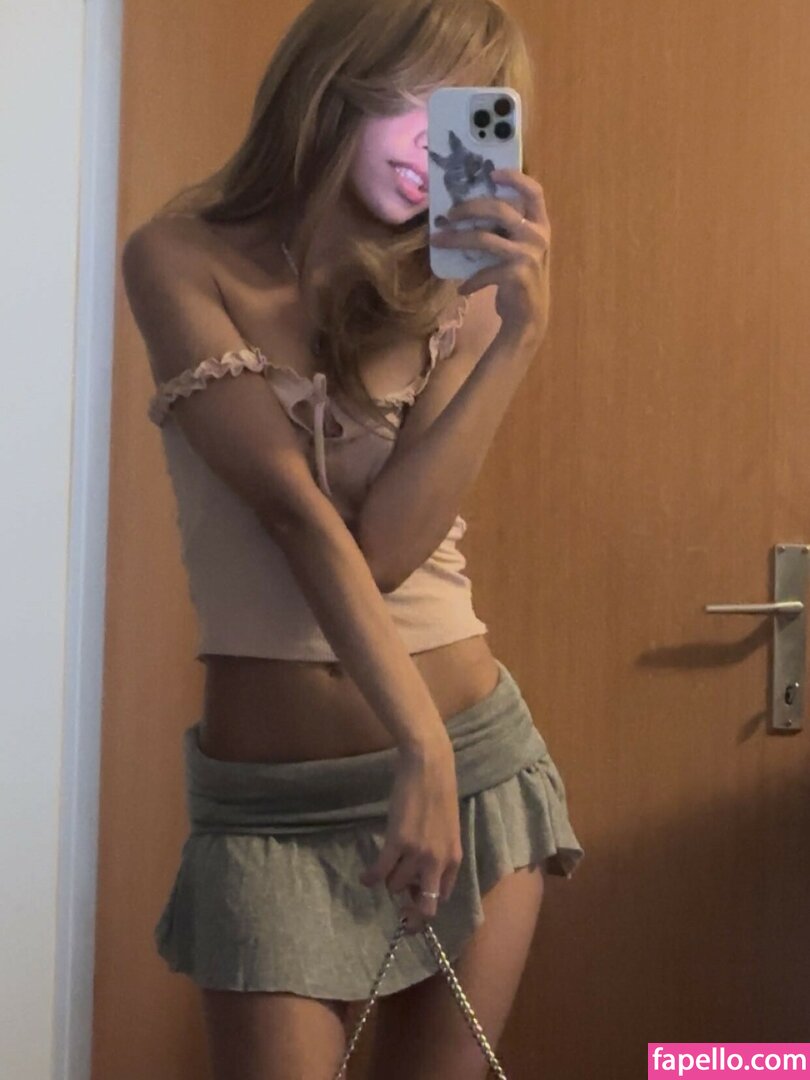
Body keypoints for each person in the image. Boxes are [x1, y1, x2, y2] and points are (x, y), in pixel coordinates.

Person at [121, 0, 584, 1076]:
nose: (434, 146)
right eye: (414, 99)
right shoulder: (180, 258)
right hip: (279, 809)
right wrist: (416, 744)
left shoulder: (459, 293)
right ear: (333, 83)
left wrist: (517, 339)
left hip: (474, 769)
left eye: (467, 112)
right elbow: (292, 513)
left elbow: (385, 550)